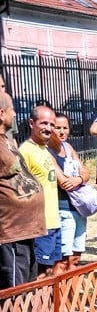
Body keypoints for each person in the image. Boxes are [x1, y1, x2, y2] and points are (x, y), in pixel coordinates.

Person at [0, 91, 45, 290]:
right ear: (1, 113)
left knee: (27, 280)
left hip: (25, 228)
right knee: (14, 287)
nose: (15, 113)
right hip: (9, 231)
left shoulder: (8, 141)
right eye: (12, 109)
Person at [19, 104, 62, 276]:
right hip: (40, 224)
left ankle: (50, 304)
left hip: (53, 221)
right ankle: (37, 304)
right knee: (40, 273)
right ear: (31, 123)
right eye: (44, 123)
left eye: (52, 124)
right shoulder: (25, 151)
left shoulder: (44, 150)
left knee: (52, 271)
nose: (49, 128)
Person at [48, 113, 91, 273]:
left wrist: (78, 179)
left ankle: (71, 295)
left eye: (65, 128)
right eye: (57, 127)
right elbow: (63, 181)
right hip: (63, 208)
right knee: (63, 259)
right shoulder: (47, 152)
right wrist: (78, 178)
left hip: (78, 208)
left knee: (76, 258)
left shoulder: (68, 147)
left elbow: (86, 173)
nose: (61, 132)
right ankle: (59, 296)